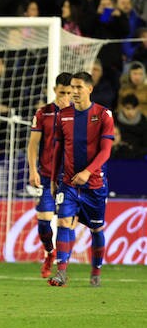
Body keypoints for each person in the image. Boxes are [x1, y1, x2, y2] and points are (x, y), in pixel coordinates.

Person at [49, 72, 115, 288]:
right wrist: (52, 178)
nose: (74, 92)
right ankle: (61, 272)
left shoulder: (103, 114)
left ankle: (96, 271)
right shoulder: (63, 115)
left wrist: (88, 171)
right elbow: (58, 149)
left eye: (78, 87)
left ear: (89, 89)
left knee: (96, 229)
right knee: (63, 222)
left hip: (94, 185)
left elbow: (106, 151)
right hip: (68, 183)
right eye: (72, 88)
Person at [26, 72, 72, 278]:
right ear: (54, 90)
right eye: (62, 92)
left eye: (69, 93)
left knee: (66, 222)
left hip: (70, 178)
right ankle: (50, 252)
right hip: (46, 176)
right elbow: (33, 145)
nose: (65, 96)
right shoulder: (43, 113)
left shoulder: (78, 114)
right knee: (44, 220)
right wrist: (32, 170)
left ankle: (63, 268)